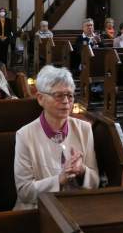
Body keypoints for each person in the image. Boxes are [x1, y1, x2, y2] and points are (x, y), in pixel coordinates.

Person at [13, 66, 99, 210]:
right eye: (59, 95)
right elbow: (24, 192)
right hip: (39, 211)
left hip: (77, 209)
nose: (66, 101)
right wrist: (59, 179)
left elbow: (95, 182)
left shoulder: (85, 129)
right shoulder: (25, 135)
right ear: (40, 98)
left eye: (70, 95)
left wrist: (82, 170)